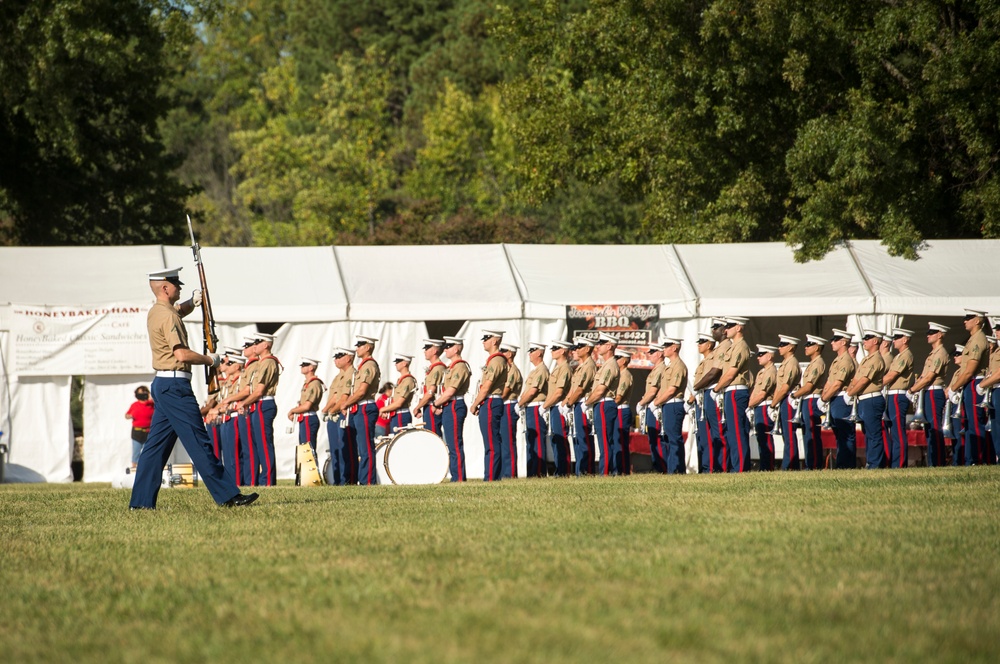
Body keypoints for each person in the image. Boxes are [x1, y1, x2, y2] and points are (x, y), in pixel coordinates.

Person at [129, 267, 257, 510]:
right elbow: (181, 353)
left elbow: (176, 312)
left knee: (155, 448)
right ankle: (228, 496)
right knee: (199, 442)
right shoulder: (167, 317)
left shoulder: (158, 311)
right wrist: (211, 360)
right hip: (176, 386)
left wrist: (192, 303)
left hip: (164, 384)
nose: (180, 288)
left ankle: (141, 503)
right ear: (165, 288)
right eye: (177, 285)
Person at [948, 309, 989, 465]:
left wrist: (953, 388)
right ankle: (971, 459)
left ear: (977, 320)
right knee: (970, 424)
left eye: (969, 318)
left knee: (975, 424)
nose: (965, 321)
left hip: (973, 382)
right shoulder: (973, 339)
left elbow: (969, 370)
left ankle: (977, 460)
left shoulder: (978, 339)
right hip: (969, 383)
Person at [240, 333, 281, 486]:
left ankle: (268, 481)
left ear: (266, 345)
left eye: (258, 342)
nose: (254, 345)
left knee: (264, 444)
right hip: (259, 404)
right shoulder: (262, 363)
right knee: (259, 445)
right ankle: (261, 480)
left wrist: (243, 403)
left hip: (264, 404)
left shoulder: (268, 362)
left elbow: (259, 391)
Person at [909, 322, 950, 466]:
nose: (928, 335)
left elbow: (929, 377)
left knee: (934, 428)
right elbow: (923, 377)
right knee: (929, 429)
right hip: (927, 392)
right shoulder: (933, 354)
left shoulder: (940, 353)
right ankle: (933, 461)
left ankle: (938, 462)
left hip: (933, 392)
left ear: (940, 335)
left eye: (932, 333)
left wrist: (912, 390)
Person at [692, 319, 730, 472]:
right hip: (704, 394)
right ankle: (711, 467)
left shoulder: (718, 351)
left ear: (709, 345)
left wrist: (695, 388)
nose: (699, 345)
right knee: (707, 436)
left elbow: (713, 375)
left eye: (702, 342)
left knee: (718, 433)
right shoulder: (708, 358)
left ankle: (721, 466)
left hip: (713, 392)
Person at [342, 335, 381, 485]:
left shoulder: (369, 365)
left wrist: (346, 403)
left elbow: (361, 391)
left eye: (360, 345)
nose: (357, 348)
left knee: (366, 447)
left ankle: (368, 481)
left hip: (365, 406)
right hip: (360, 407)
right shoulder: (363, 366)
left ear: (368, 347)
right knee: (362, 448)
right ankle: (364, 479)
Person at [715, 316, 752, 472]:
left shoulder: (740, 346)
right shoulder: (733, 347)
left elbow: (731, 374)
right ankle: (736, 466)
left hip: (737, 391)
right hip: (730, 391)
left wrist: (716, 389)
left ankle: (740, 468)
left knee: (737, 432)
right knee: (732, 432)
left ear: (739, 328)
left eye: (730, 326)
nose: (726, 329)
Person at [470, 330, 508, 481]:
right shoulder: (492, 360)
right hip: (489, 401)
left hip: (491, 401)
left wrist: (474, 404)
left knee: (492, 443)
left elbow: (486, 387)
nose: (483, 341)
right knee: (490, 441)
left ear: (494, 341)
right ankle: (492, 476)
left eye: (487, 338)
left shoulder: (497, 360)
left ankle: (492, 477)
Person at [846, 330, 887, 469]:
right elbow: (856, 379)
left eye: (868, 338)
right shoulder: (866, 359)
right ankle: (871, 462)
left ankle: (875, 464)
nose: (864, 340)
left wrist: (850, 394)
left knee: (874, 434)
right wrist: (850, 391)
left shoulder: (876, 359)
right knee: (868, 433)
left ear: (875, 341)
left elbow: (864, 381)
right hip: (864, 399)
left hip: (872, 399)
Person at [433, 336, 471, 482]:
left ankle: (459, 477)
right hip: (449, 405)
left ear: (456, 349)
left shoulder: (460, 367)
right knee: (451, 443)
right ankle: (456, 475)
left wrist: (436, 404)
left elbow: (450, 391)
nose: (445, 349)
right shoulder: (452, 367)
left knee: (455, 443)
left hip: (455, 404)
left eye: (449, 346)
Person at [821, 329, 858, 469]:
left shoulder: (846, 360)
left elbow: (837, 383)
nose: (832, 342)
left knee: (846, 434)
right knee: (839, 434)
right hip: (835, 398)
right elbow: (830, 382)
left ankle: (846, 465)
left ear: (843, 342)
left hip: (842, 399)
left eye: (835, 339)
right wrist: (825, 397)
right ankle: (843, 464)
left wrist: (824, 398)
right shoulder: (837, 360)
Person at [585, 332, 620, 476]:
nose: (598, 346)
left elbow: (600, 390)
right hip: (601, 404)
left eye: (602, 343)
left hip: (604, 404)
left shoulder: (610, 365)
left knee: (605, 441)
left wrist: (587, 403)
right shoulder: (606, 365)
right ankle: (609, 470)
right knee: (605, 440)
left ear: (610, 346)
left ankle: (605, 472)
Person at [792, 335, 828, 470]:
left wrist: (794, 395)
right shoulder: (813, 363)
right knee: (808, 433)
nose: (806, 347)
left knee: (812, 434)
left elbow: (808, 386)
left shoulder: (817, 363)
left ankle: (813, 464)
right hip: (808, 399)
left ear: (817, 347)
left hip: (812, 399)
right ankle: (811, 463)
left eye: (809, 344)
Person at [321, 347, 356, 485]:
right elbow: (335, 397)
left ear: (348, 358)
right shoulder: (339, 377)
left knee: (345, 450)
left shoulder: (351, 374)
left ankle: (345, 480)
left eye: (340, 356)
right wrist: (326, 410)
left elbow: (343, 398)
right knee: (336, 450)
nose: (336, 359)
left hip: (340, 414)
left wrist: (331, 411)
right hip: (334, 415)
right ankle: (337, 480)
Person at [653, 338, 687, 474]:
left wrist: (656, 402)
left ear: (674, 348)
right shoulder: (669, 366)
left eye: (667, 346)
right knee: (668, 439)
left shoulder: (678, 366)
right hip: (667, 405)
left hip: (673, 404)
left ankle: (677, 470)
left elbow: (672, 390)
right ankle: (672, 469)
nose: (664, 348)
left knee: (674, 439)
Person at [563, 337, 597, 475]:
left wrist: (569, 403)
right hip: (576, 404)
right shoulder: (581, 367)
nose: (576, 350)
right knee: (577, 438)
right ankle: (579, 471)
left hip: (583, 403)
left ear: (588, 348)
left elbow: (580, 389)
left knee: (584, 439)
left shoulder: (588, 366)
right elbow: (573, 389)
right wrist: (567, 403)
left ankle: (586, 471)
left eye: (579, 347)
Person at [882, 328, 915, 468]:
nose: (894, 340)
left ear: (905, 339)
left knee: (898, 432)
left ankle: (900, 464)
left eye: (897, 337)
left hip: (898, 394)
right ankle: (894, 462)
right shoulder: (899, 356)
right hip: (892, 394)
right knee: (893, 430)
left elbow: (892, 375)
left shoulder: (905, 355)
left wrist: (874, 386)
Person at [542, 340, 574, 476]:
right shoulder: (558, 368)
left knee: (561, 439)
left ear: (562, 351)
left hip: (559, 407)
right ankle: (559, 470)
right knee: (556, 440)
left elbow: (559, 393)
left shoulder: (564, 368)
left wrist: (544, 406)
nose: (552, 351)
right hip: (553, 407)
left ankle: (564, 471)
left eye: (555, 348)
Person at [518, 341, 550, 477]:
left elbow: (532, 391)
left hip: (536, 407)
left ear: (540, 353)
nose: (530, 354)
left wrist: (519, 403)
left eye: (532, 351)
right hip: (530, 407)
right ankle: (532, 472)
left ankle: (538, 472)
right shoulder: (535, 370)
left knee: (537, 442)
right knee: (531, 441)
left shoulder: (541, 370)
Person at [287, 357, 324, 465]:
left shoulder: (314, 383)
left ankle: (311, 477)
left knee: (308, 449)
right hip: (304, 418)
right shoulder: (308, 383)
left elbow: (307, 406)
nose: (302, 366)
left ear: (311, 367)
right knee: (304, 449)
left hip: (309, 417)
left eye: (305, 364)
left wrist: (292, 411)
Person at [637, 341, 667, 473]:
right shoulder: (656, 369)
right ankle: (658, 466)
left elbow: (653, 391)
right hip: (650, 406)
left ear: (660, 354)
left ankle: (662, 467)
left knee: (658, 439)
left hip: (656, 407)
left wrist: (641, 403)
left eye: (652, 352)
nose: (649, 355)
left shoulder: (661, 369)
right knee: (653, 439)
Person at [773, 335, 802, 471]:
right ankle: (791, 464)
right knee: (786, 434)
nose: (780, 347)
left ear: (790, 347)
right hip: (784, 400)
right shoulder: (786, 362)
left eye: (783, 344)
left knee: (789, 434)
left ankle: (788, 465)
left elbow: (785, 387)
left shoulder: (791, 363)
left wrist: (773, 404)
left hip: (789, 399)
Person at [748, 345, 778, 471]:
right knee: (761, 438)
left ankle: (768, 466)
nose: (758, 357)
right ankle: (764, 465)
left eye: (761, 354)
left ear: (769, 356)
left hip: (764, 406)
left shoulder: (770, 372)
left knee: (765, 438)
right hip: (758, 407)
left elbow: (762, 394)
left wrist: (749, 405)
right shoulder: (762, 372)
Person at [412, 339, 446, 436]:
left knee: (433, 436)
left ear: (435, 351)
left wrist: (418, 407)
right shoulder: (434, 367)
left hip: (432, 406)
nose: (424, 351)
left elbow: (431, 392)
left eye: (427, 348)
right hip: (428, 405)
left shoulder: (437, 368)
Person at [499, 342, 522, 478]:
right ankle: (503, 472)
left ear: (510, 354)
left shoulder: (512, 371)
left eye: (503, 351)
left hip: (508, 405)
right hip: (502, 405)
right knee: (501, 441)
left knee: (508, 441)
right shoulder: (504, 369)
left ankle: (510, 473)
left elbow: (505, 392)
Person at [380, 354, 417, 434]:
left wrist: (383, 409)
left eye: (398, 361)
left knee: (400, 442)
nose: (395, 364)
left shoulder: (408, 380)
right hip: (396, 415)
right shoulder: (401, 380)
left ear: (404, 364)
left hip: (401, 415)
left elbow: (399, 403)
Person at [613, 348, 634, 475]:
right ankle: (618, 469)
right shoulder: (619, 374)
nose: (616, 360)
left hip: (621, 410)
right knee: (616, 442)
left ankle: (623, 470)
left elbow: (619, 396)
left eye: (618, 358)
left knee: (620, 442)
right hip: (617, 410)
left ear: (625, 360)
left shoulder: (625, 375)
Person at [125, 385, 154, 470]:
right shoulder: (134, 405)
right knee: (136, 452)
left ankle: (147, 468)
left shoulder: (151, 404)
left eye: (145, 393)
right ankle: (134, 468)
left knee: (148, 452)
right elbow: (127, 415)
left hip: (148, 432)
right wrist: (130, 415)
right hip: (137, 432)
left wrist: (149, 397)